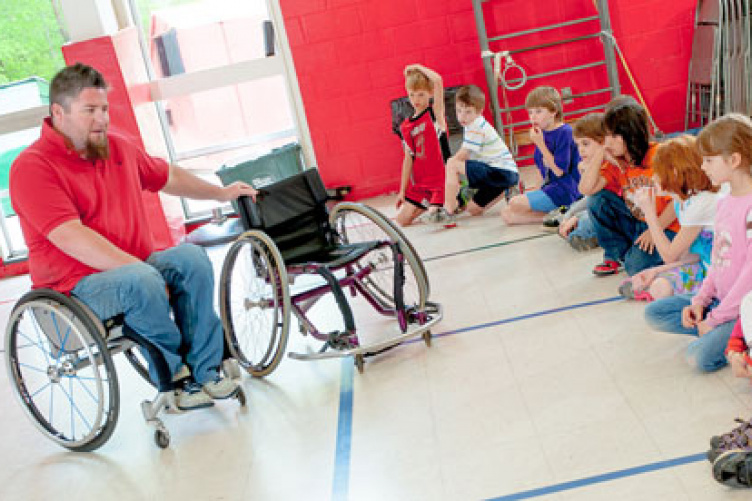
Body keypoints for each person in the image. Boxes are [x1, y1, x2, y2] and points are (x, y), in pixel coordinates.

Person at [10, 63, 258, 411]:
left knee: (191, 259)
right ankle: (176, 378)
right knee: (139, 279)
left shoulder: (116, 147)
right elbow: (71, 238)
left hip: (133, 269)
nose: (102, 119)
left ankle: (206, 370)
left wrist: (221, 193)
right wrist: (146, 273)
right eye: (89, 111)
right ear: (58, 113)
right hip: (74, 289)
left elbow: (167, 176)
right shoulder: (32, 168)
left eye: (104, 109)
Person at [644, 113, 752, 373]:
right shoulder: (724, 202)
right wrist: (701, 301)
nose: (703, 167)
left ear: (734, 160)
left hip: (741, 309)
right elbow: (716, 260)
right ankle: (722, 336)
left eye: (709, 160)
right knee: (655, 313)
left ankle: (735, 337)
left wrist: (716, 318)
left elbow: (749, 277)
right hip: (720, 301)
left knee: (697, 357)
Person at [579, 95, 679, 276]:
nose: (607, 142)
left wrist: (654, 230)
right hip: (638, 223)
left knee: (635, 268)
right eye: (605, 137)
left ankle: (651, 258)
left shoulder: (658, 156)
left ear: (630, 134)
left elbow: (677, 204)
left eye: (612, 136)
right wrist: (600, 154)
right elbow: (586, 190)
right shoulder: (618, 161)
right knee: (597, 200)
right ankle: (620, 255)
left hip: (667, 226)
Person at [620, 135, 720, 302]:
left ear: (674, 172)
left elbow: (669, 255)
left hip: (721, 274)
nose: (653, 178)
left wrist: (650, 214)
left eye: (657, 172)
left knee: (660, 293)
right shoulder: (680, 202)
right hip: (705, 265)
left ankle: (705, 301)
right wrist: (656, 270)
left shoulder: (700, 204)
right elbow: (694, 255)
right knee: (660, 284)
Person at [501, 86, 581, 226]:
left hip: (566, 190)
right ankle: (558, 216)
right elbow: (540, 170)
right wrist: (536, 192)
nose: (533, 117)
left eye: (538, 111)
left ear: (553, 111)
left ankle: (565, 212)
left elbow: (558, 171)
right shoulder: (542, 132)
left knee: (515, 203)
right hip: (551, 188)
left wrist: (540, 144)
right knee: (508, 214)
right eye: (530, 112)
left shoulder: (565, 132)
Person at [442, 84, 518, 227]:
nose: (462, 116)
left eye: (468, 112)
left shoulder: (476, 126)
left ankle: (448, 210)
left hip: (499, 171)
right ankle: (507, 188)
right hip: (504, 176)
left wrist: (450, 173)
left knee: (452, 163)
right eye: (459, 111)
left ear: (479, 111)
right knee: (473, 209)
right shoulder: (472, 124)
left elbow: (463, 154)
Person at [395, 64, 450, 226]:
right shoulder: (406, 126)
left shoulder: (435, 114)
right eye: (412, 95)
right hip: (422, 184)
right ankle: (432, 205)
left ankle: (449, 199)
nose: (416, 100)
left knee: (435, 219)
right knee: (402, 220)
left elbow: (438, 80)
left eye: (421, 94)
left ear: (430, 93)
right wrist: (402, 191)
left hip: (440, 181)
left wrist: (417, 67)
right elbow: (408, 159)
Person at [557, 112, 610, 252]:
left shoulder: (609, 167)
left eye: (586, 144)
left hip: (608, 211)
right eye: (578, 145)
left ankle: (586, 233)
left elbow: (598, 203)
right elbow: (587, 199)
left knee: (586, 221)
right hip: (594, 207)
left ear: (602, 142)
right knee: (570, 212)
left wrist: (576, 217)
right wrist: (569, 215)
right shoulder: (584, 165)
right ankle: (578, 229)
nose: (580, 150)